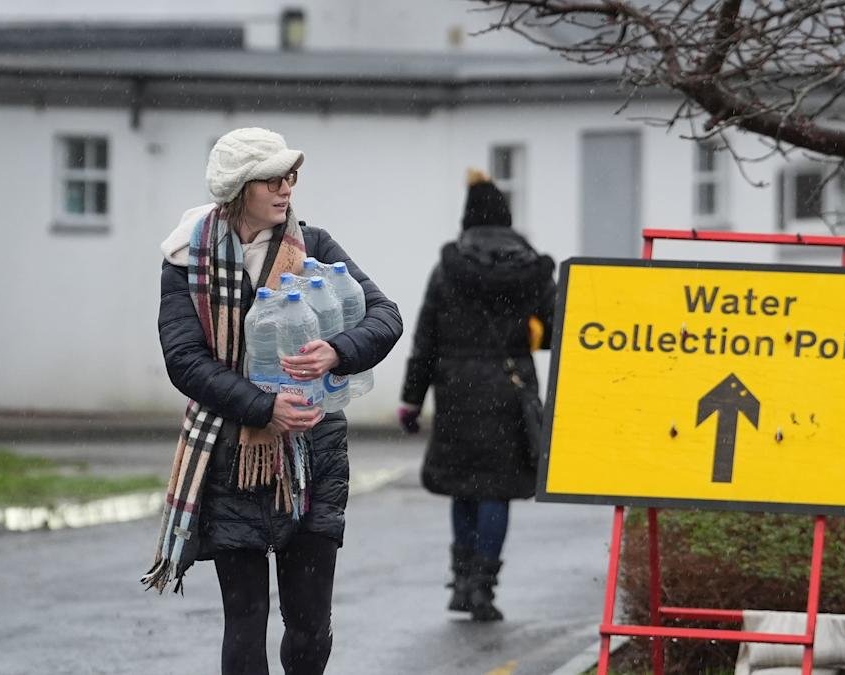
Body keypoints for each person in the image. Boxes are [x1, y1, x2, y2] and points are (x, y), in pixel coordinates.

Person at [143, 127, 402, 675]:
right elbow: (184, 360)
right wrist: (263, 408)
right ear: (240, 189)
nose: (286, 189)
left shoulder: (316, 247)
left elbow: (386, 317)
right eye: (273, 179)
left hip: (314, 453)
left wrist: (336, 350)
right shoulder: (187, 259)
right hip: (233, 454)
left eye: (291, 177)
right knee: (246, 619)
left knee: (309, 625)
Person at [397, 168, 556, 622]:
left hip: (458, 391)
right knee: (496, 492)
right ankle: (484, 587)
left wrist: (411, 400)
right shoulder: (532, 269)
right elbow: (554, 332)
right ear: (507, 219)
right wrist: (530, 332)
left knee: (462, 487)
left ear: (468, 220)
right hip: (510, 392)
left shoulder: (448, 269)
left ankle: (462, 582)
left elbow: (425, 340)